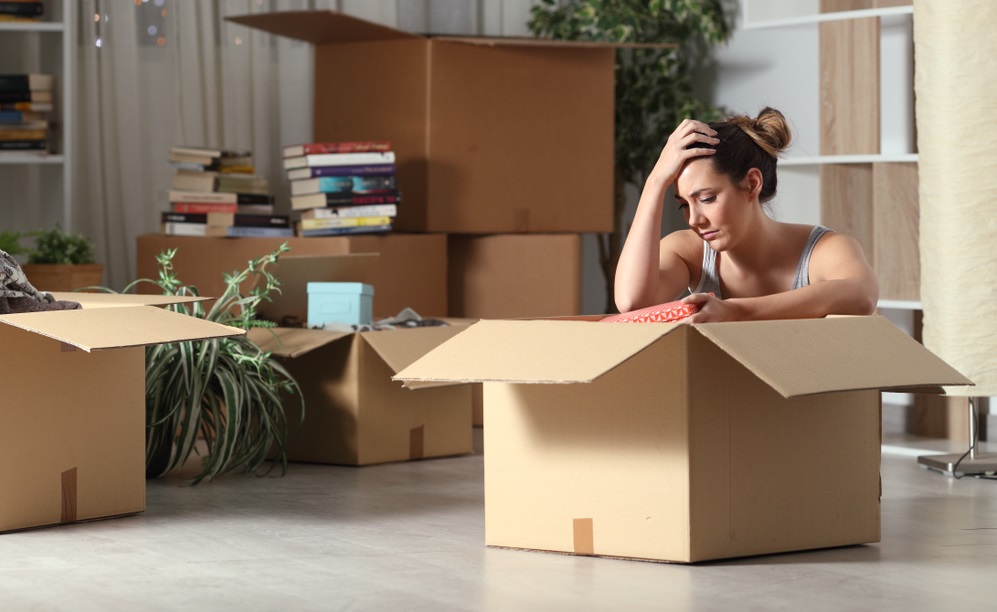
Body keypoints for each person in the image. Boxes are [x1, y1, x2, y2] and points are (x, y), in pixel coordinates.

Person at [613, 107, 878, 322]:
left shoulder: (823, 249)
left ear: (752, 183)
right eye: (684, 204)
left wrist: (736, 311)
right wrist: (654, 182)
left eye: (706, 199)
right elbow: (632, 302)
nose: (694, 219)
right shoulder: (690, 252)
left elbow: (862, 294)